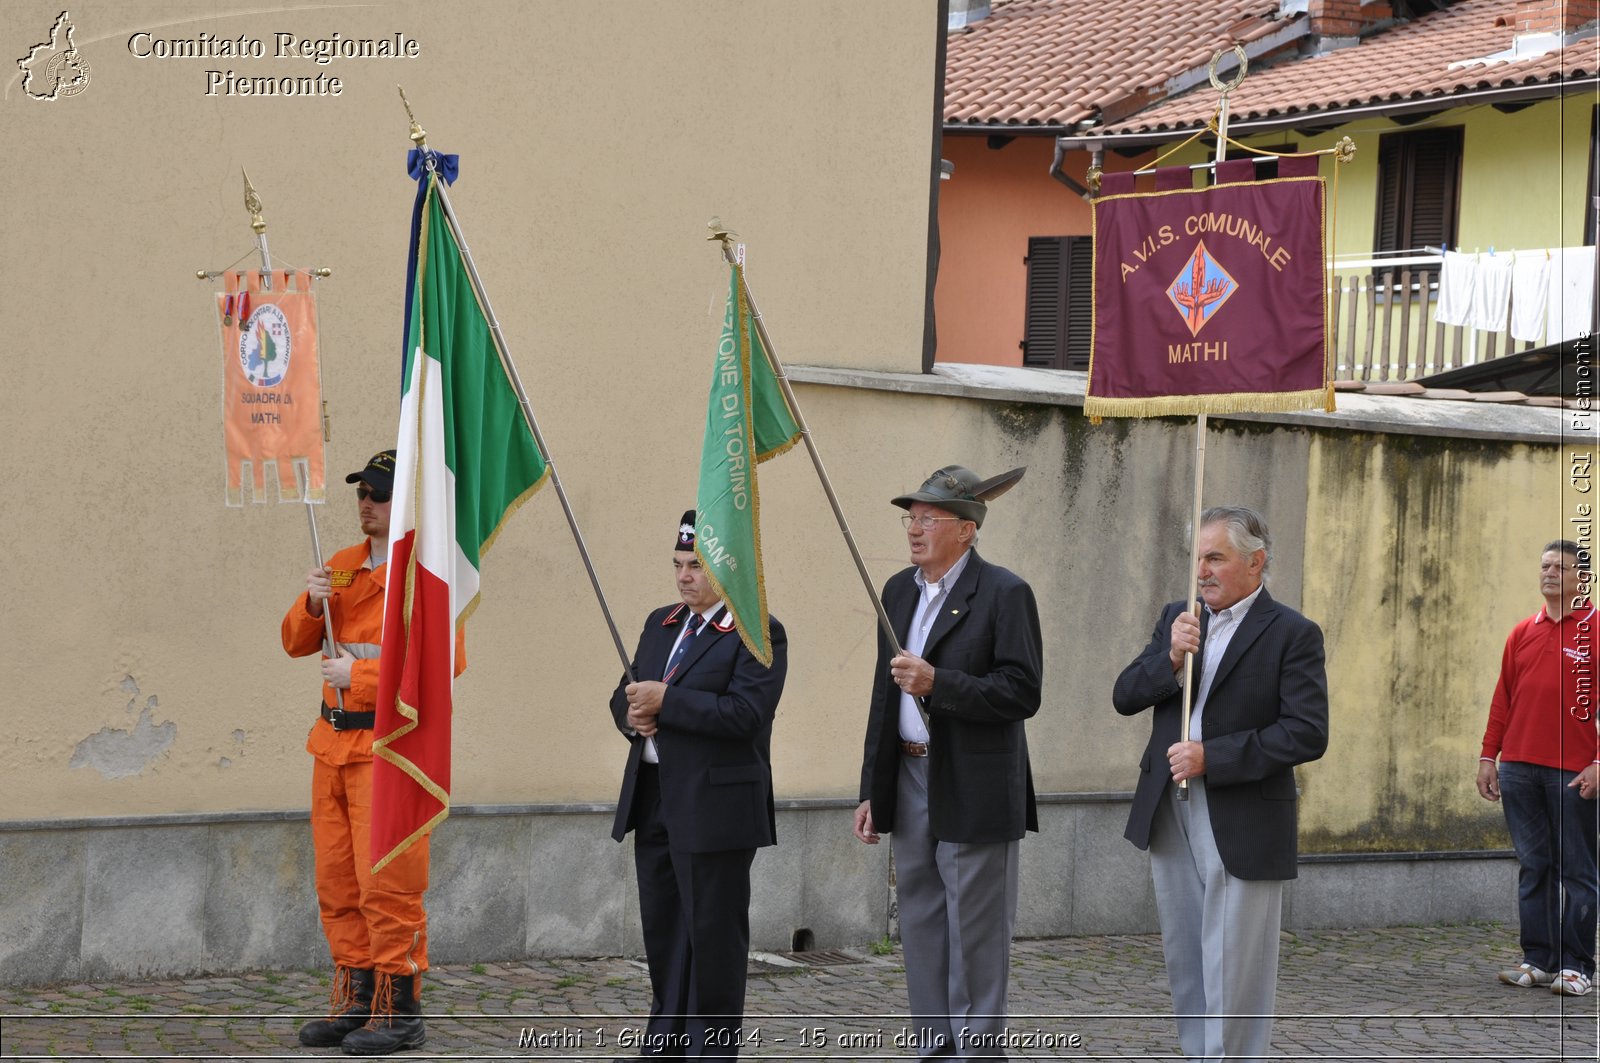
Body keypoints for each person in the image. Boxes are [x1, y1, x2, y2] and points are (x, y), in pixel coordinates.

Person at [1112, 505, 1328, 1062]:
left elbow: (1306, 733)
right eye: (1197, 558)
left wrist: (1215, 756)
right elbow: (1125, 695)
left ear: (1255, 563)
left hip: (1243, 811)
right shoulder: (1178, 617)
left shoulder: (1293, 633)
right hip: (1170, 804)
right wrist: (1171, 658)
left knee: (1234, 956)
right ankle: (1198, 1053)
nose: (1201, 571)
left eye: (1215, 557)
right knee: (1186, 949)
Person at [853, 464, 1042, 1060]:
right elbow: (884, 697)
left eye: (928, 518)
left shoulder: (1004, 593)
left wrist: (941, 683)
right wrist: (871, 789)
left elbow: (1021, 691)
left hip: (974, 780)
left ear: (967, 530)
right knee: (923, 922)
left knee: (976, 933)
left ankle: (977, 1052)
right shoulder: (899, 590)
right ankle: (935, 1046)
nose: (914, 529)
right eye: (911, 517)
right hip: (909, 776)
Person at [281, 450, 463, 1056]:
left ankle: (397, 1009)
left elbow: (440, 664)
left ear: (404, 506)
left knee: (386, 882)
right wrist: (310, 604)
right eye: (362, 492)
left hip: (388, 749)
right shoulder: (341, 566)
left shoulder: (428, 575)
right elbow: (294, 642)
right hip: (332, 744)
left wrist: (357, 678)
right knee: (337, 881)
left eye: (379, 495)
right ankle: (355, 1002)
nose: (366, 503)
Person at [608, 511, 788, 1060]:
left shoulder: (757, 629)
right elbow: (625, 692)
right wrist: (631, 716)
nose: (684, 577)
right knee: (664, 931)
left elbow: (745, 714)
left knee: (711, 939)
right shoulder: (661, 622)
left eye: (697, 566)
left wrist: (667, 702)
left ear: (725, 568)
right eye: (679, 565)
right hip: (656, 795)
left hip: (717, 807)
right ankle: (663, 1045)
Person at [1477, 539, 1599, 997]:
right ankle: (1539, 960)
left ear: (1580, 578)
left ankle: (1578, 967)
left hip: (1573, 772)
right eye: (1545, 565)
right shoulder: (1521, 632)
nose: (1549, 573)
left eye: (1561, 567)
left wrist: (1599, 763)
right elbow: (1503, 699)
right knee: (1534, 866)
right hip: (1519, 768)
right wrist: (1490, 757)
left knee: (1578, 871)